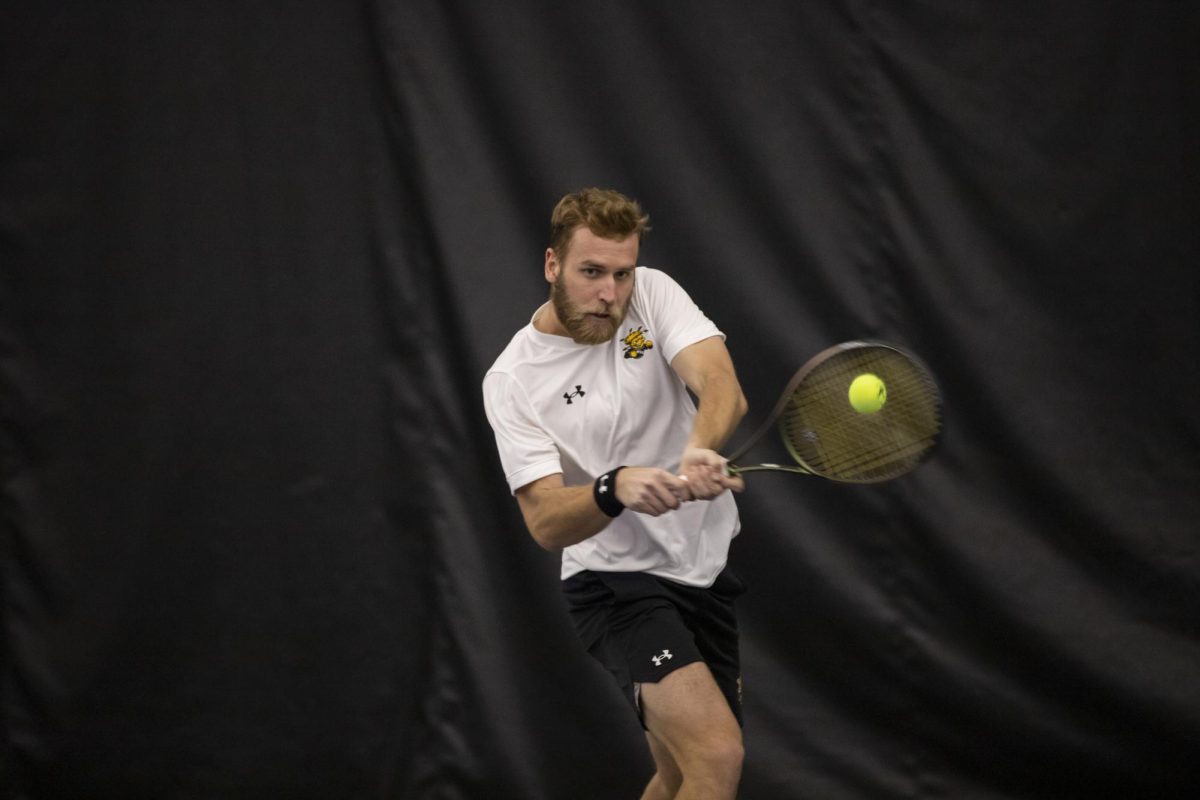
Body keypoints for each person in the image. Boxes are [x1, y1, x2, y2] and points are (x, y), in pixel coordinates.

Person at [482, 188, 749, 800]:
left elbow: (721, 387)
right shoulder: (513, 380)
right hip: (615, 583)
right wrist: (613, 487)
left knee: (680, 772)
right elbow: (546, 522)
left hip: (701, 568)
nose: (610, 292)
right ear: (553, 266)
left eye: (621, 273)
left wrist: (698, 450)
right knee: (718, 755)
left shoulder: (649, 296)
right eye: (591, 272)